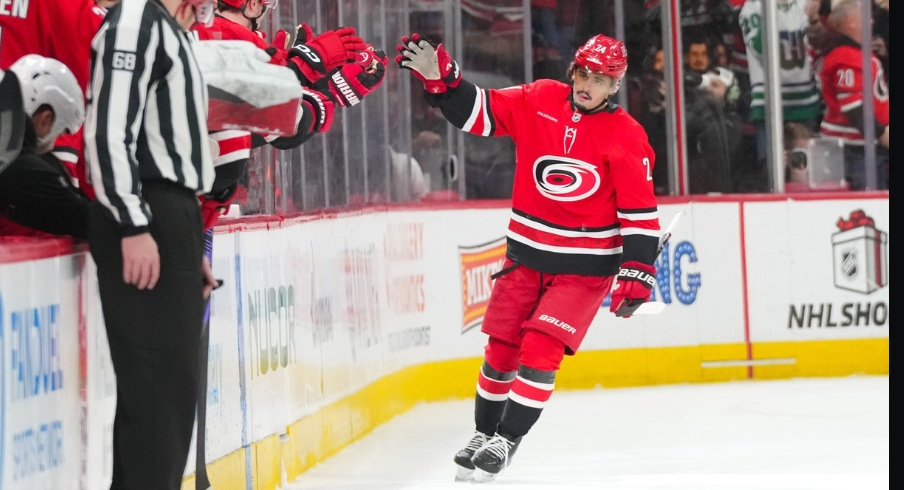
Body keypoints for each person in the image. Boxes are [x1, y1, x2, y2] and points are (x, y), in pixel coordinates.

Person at [397, 33, 660, 482]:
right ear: (572, 71)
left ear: (615, 85)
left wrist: (638, 270)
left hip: (583, 270)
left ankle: (507, 438)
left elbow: (638, 215)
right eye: (583, 73)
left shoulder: (627, 135)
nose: (587, 84)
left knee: (539, 350)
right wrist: (443, 79)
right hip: (525, 257)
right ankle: (483, 433)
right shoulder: (539, 99)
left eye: (600, 79)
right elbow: (479, 114)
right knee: (501, 351)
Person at [83, 1, 219, 488]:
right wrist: (133, 223)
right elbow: (108, 130)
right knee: (155, 393)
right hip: (146, 211)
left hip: (169, 216)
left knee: (172, 392)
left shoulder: (172, 29)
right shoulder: (138, 18)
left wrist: (185, 244)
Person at [0, 55, 90, 238]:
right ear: (45, 120)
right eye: (60, 132)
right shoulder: (10, 150)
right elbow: (77, 215)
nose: (53, 145)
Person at [817, 0, 889, 190]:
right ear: (851, 21)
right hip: (854, 149)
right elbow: (853, 107)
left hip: (860, 147)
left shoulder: (854, 52)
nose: (872, 21)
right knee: (867, 208)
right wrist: (881, 133)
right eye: (866, 16)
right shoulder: (847, 56)